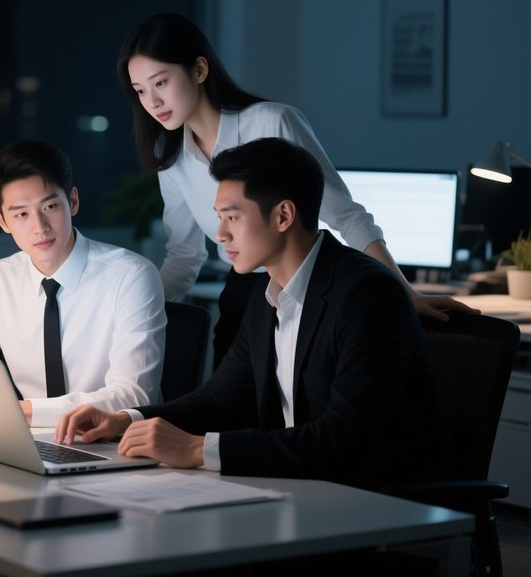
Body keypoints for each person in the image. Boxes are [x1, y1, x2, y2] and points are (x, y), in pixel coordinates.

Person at [55, 137, 443, 486]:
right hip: (299, 486)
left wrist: (196, 449)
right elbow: (219, 399)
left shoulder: (368, 295)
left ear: (283, 216)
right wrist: (126, 419)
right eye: (219, 217)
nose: (220, 234)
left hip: (377, 498)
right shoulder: (264, 294)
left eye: (233, 217)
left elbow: (344, 438)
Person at [118, 12, 473, 367]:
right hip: (244, 295)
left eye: (161, 82)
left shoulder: (272, 122)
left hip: (307, 290)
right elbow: (184, 255)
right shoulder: (171, 156)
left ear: (199, 70)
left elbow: (346, 216)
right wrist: (136, 311)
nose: (152, 102)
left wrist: (404, 293)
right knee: (228, 395)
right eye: (140, 91)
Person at [0, 140, 166, 429]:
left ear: (73, 202)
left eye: (50, 206)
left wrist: (18, 411)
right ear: (3, 221)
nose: (40, 227)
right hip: (31, 439)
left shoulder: (130, 276)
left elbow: (133, 395)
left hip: (115, 443)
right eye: (21, 214)